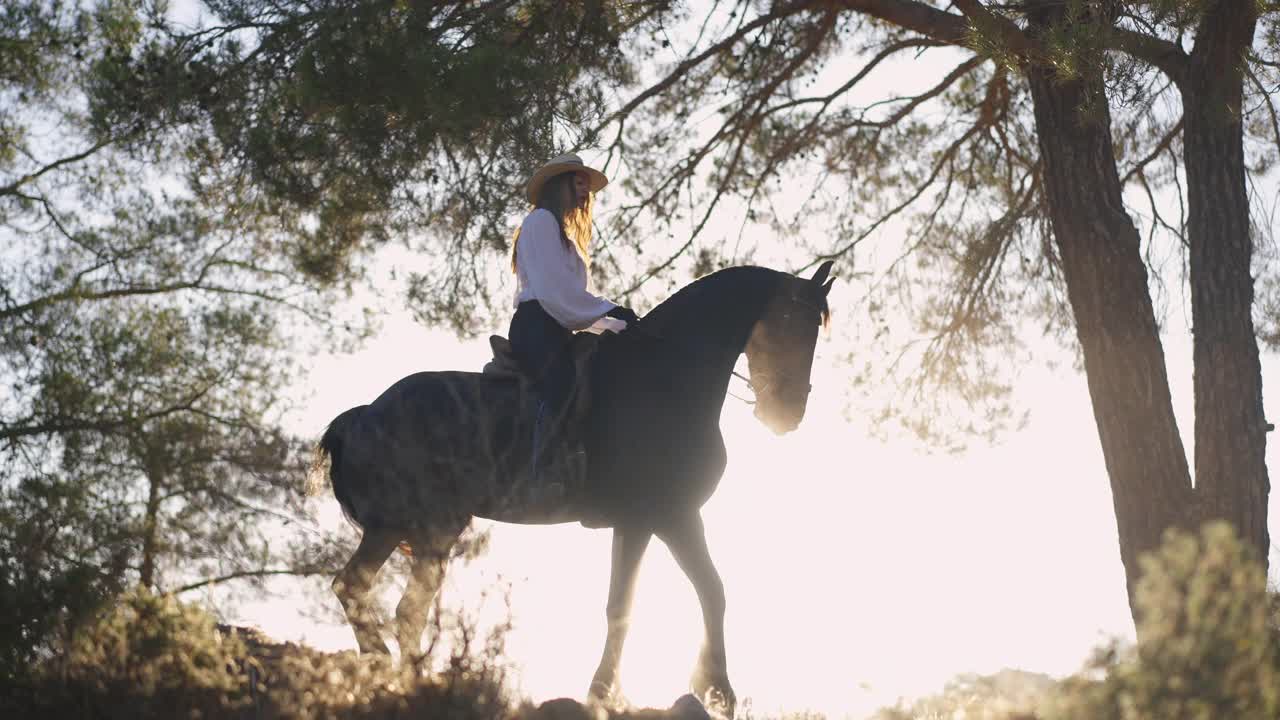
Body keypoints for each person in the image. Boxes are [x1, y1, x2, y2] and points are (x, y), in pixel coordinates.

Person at [508, 153, 638, 487]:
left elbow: (574, 303)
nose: (584, 191)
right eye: (579, 182)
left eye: (586, 185)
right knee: (563, 384)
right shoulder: (539, 223)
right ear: (559, 184)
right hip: (537, 325)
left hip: (557, 324)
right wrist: (608, 310)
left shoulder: (565, 238)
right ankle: (544, 471)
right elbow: (556, 293)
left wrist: (619, 324)